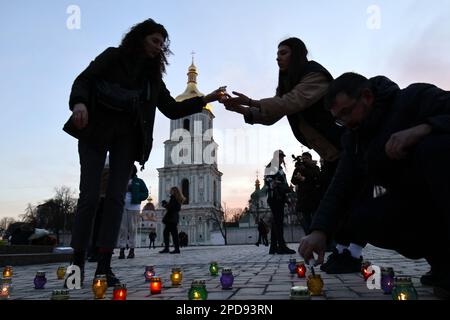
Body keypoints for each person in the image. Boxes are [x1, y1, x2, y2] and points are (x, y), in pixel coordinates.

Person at [65, 19, 225, 286]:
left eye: (162, 44)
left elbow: (173, 109)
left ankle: (104, 267)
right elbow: (84, 80)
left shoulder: (152, 78)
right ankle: (76, 264)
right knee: (90, 198)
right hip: (96, 131)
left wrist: (206, 99)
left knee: (115, 199)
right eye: (155, 40)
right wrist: (79, 103)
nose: (159, 47)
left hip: (127, 140)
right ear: (140, 38)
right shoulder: (113, 57)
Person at [298, 72, 450, 298]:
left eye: (347, 112)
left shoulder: (414, 98)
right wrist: (319, 230)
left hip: (440, 185)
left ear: (367, 96)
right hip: (414, 200)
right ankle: (442, 263)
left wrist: (423, 129)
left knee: (435, 147)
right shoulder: (354, 137)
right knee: (363, 215)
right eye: (339, 118)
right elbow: (342, 184)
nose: (346, 122)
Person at [221, 38, 365, 269]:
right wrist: (243, 110)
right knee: (332, 200)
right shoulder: (288, 83)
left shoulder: (314, 74)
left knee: (347, 199)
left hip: (345, 143)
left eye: (284, 52)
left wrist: (251, 101)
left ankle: (351, 253)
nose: (278, 57)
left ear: (297, 54)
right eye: (277, 53)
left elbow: (291, 102)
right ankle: (343, 251)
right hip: (330, 151)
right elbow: (273, 113)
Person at [263, 150, 296, 255]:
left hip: (279, 197)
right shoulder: (271, 167)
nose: (282, 159)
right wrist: (274, 183)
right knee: (278, 223)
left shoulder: (279, 168)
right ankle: (281, 246)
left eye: (283, 157)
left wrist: (286, 199)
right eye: (280, 157)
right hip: (275, 198)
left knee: (276, 222)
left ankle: (273, 247)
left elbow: (283, 184)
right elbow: (268, 180)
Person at [118, 165, 148, 259]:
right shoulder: (121, 180)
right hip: (123, 206)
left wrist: (137, 196)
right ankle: (122, 249)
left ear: (134, 171)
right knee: (123, 228)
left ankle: (132, 250)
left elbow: (145, 193)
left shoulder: (139, 181)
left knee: (132, 228)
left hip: (134, 207)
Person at [290, 152, 321, 235]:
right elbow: (293, 181)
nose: (304, 160)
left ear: (310, 159)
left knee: (316, 220)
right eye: (303, 159)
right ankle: (309, 236)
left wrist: (304, 178)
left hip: (314, 198)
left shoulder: (315, 167)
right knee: (306, 221)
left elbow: (317, 178)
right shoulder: (299, 168)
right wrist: (298, 178)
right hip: (303, 198)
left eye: (306, 159)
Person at [87, 158, 110, 262]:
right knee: (98, 225)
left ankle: (95, 251)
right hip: (102, 198)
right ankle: (96, 251)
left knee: (98, 225)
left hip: (102, 198)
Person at [160, 187, 185, 254]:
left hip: (171, 218)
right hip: (173, 218)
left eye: (171, 190)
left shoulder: (174, 198)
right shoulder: (177, 198)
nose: (170, 191)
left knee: (171, 234)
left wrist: (165, 204)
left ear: (174, 191)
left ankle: (173, 249)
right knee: (170, 233)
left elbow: (172, 208)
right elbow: (174, 207)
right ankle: (170, 248)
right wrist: (166, 205)